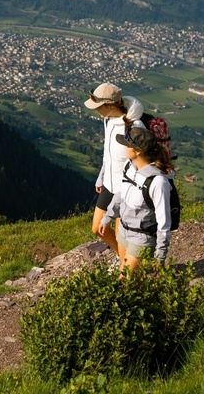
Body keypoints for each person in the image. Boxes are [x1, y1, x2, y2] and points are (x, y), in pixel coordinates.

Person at [98, 125, 175, 270]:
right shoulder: (130, 166)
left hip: (142, 239)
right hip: (123, 232)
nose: (125, 148)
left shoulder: (158, 182)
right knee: (132, 278)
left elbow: (164, 223)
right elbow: (121, 194)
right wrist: (107, 217)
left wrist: (160, 256)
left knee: (122, 282)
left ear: (138, 151)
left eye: (128, 145)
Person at [83, 82, 145, 259]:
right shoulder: (108, 120)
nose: (96, 111)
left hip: (126, 190)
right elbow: (109, 155)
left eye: (98, 107)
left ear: (110, 105)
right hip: (110, 185)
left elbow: (141, 163)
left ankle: (126, 270)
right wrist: (101, 177)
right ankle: (122, 259)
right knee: (97, 228)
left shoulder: (134, 127)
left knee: (121, 235)